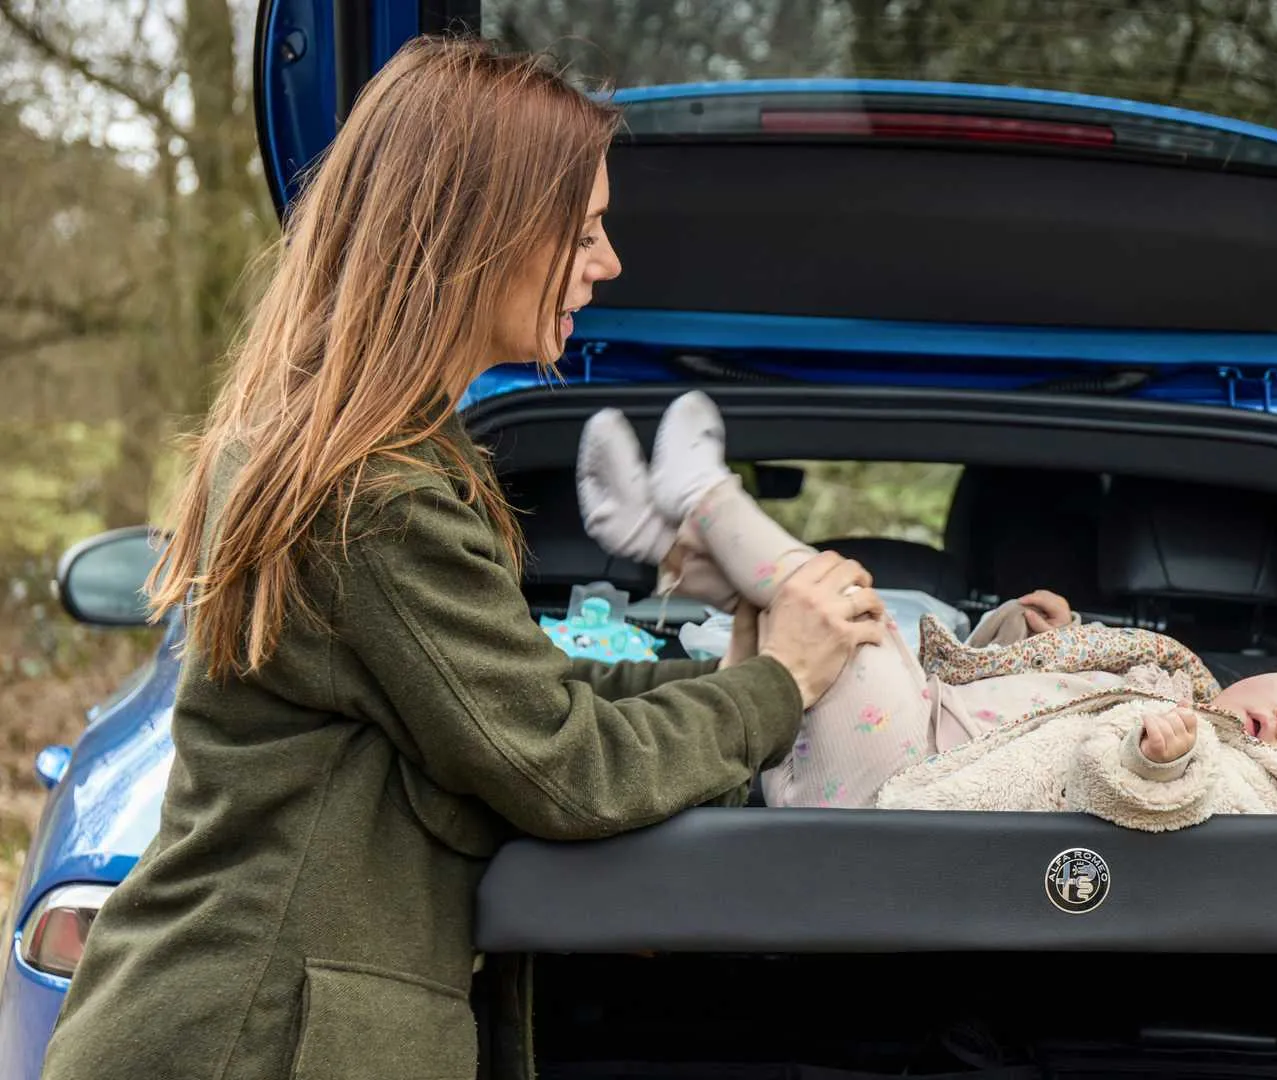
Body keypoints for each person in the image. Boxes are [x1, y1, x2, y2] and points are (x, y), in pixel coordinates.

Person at [39, 37, 889, 1080]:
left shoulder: (364, 458)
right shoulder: (371, 497)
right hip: (243, 1039)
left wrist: (735, 673)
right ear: (476, 235)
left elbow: (524, 694)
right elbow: (562, 769)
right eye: (582, 230)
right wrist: (779, 684)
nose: (609, 262)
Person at [576, 392, 1277, 830]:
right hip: (903, 753)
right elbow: (1023, 721)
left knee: (849, 616)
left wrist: (1162, 762)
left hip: (895, 793)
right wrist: (1019, 640)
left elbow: (1154, 795)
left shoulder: (1240, 786)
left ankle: (707, 497)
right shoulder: (1182, 693)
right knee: (839, 632)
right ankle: (669, 545)